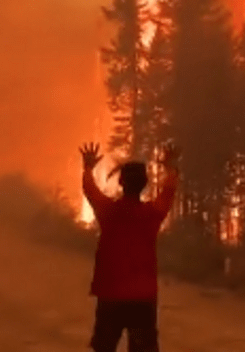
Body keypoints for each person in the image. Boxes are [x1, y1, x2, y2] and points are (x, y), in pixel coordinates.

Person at [79, 141, 180, 352]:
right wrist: (171, 167)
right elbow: (169, 191)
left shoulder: (108, 212)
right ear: (145, 184)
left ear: (121, 183)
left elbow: (90, 190)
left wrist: (88, 166)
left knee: (104, 347)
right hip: (143, 297)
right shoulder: (152, 214)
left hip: (110, 294)